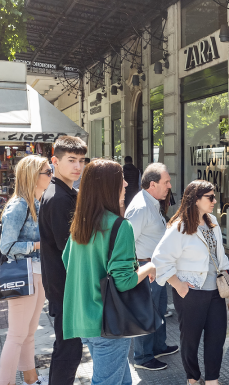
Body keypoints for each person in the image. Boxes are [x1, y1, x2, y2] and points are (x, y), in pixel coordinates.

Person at [61, 159, 157, 385]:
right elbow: (124, 281)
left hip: (82, 317)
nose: (125, 184)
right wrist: (149, 267)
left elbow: (67, 261)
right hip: (107, 320)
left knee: (122, 381)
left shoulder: (80, 222)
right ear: (107, 186)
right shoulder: (119, 226)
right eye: (120, 179)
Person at [152, 180, 229, 385]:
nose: (215, 201)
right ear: (196, 199)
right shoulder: (179, 226)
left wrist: (227, 270)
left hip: (215, 291)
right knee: (190, 340)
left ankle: (212, 380)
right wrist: (178, 285)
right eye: (210, 197)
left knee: (216, 339)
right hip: (191, 292)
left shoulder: (212, 222)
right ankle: (193, 377)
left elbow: (218, 253)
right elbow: (159, 260)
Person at [0, 156, 52, 385]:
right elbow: (6, 246)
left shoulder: (38, 203)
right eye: (47, 172)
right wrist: (41, 245)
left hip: (38, 272)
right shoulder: (19, 204)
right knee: (16, 335)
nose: (51, 176)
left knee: (29, 333)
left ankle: (31, 379)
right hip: (24, 273)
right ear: (33, 175)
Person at [39, 136, 86, 385]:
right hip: (65, 288)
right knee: (68, 352)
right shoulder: (58, 198)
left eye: (81, 160)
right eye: (71, 160)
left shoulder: (67, 193)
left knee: (69, 349)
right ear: (55, 161)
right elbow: (70, 249)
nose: (78, 166)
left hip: (65, 286)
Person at [125, 163, 177, 371]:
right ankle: (143, 356)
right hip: (145, 266)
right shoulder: (141, 206)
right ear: (152, 184)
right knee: (147, 311)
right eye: (166, 182)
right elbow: (127, 242)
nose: (169, 186)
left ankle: (157, 347)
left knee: (159, 308)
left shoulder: (152, 201)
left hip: (156, 266)